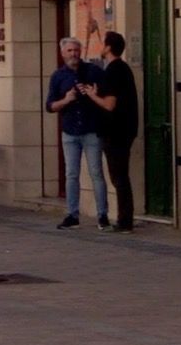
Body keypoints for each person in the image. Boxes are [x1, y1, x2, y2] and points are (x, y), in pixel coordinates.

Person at [46, 37, 109, 230]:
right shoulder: (58, 76)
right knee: (71, 174)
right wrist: (67, 99)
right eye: (70, 51)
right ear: (62, 53)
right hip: (70, 131)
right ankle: (72, 215)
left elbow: (107, 97)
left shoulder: (93, 71)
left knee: (96, 173)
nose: (73, 54)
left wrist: (93, 93)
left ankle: (102, 215)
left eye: (76, 50)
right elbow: (50, 106)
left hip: (91, 129)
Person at [82, 31, 138, 233]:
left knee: (119, 177)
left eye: (103, 44)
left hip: (116, 132)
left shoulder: (113, 71)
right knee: (121, 176)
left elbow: (109, 104)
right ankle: (125, 219)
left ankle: (125, 221)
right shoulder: (123, 69)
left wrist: (92, 96)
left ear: (107, 47)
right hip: (125, 130)